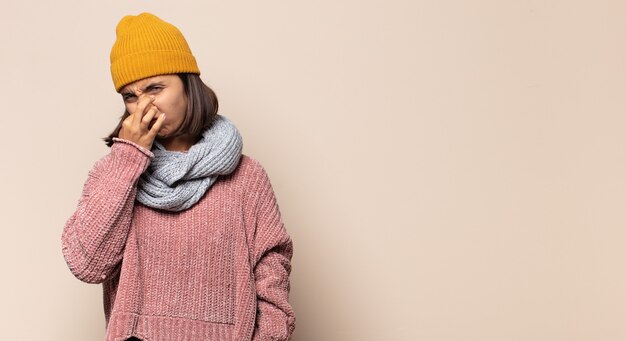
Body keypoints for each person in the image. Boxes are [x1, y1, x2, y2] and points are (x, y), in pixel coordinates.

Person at [60, 12, 295, 341]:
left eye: (155, 87)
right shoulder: (113, 173)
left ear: (188, 84)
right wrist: (128, 157)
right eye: (131, 96)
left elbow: (271, 268)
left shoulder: (247, 177)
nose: (144, 106)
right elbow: (88, 265)